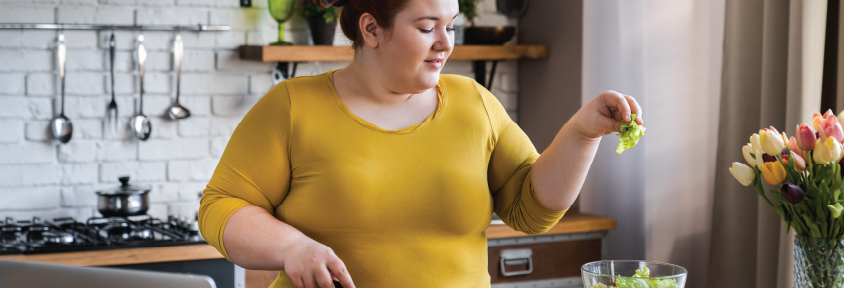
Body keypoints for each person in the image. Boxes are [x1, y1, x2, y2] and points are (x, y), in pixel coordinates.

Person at [198, 0, 643, 287]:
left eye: (450, 25)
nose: (446, 43)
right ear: (371, 30)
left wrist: (582, 134)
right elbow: (220, 207)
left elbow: (532, 211)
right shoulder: (293, 106)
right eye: (428, 27)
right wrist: (291, 246)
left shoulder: (475, 104)